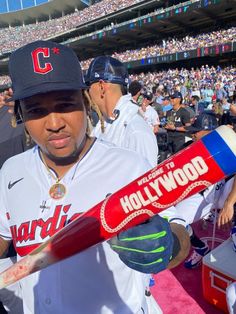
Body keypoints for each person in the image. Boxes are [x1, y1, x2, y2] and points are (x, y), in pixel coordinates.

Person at [0, 40, 188, 314]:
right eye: (36, 110)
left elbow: (179, 231)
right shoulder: (11, 170)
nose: (54, 124)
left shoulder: (128, 165)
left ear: (85, 101)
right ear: (20, 115)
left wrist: (169, 246)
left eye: (65, 105)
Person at [86, 55, 159, 167]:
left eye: (88, 86)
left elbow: (146, 181)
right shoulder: (106, 122)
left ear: (101, 86)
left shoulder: (135, 130)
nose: (87, 93)